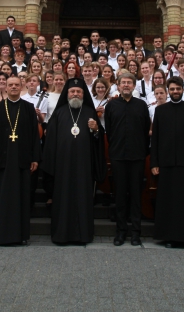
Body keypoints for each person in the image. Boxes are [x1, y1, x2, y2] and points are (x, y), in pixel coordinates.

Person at [42, 78, 106, 244]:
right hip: (63, 166)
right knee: (63, 199)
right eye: (72, 91)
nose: (75, 94)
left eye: (78, 91)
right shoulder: (59, 112)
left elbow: (98, 139)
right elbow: (50, 143)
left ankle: (83, 235)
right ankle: (61, 235)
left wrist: (96, 130)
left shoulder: (90, 112)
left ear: (83, 94)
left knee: (83, 198)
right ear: (67, 94)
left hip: (84, 166)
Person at [0, 74, 40, 245]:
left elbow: (34, 135)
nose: (14, 87)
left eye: (16, 84)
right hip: (1, 159)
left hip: (22, 160)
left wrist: (35, 158)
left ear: (21, 86)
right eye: (10, 85)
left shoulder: (29, 108)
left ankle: (19, 235)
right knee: (0, 196)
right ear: (5, 87)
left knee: (20, 196)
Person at [150, 76, 184, 248]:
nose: (175, 92)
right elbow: (156, 139)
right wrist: (154, 163)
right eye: (172, 89)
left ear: (183, 90)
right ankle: (169, 237)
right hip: (166, 164)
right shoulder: (161, 111)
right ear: (168, 91)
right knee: (169, 203)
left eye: (178, 89)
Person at [103, 73, 151, 246]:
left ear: (134, 86)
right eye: (123, 82)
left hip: (137, 156)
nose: (126, 85)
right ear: (118, 85)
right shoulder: (112, 106)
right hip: (118, 156)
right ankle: (121, 231)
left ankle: (136, 232)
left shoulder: (141, 105)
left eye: (129, 83)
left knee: (136, 195)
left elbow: (146, 130)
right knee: (120, 195)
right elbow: (109, 130)